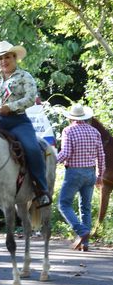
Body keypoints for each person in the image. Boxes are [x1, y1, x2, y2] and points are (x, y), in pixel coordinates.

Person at [0, 40, 51, 208]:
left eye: (7, 57)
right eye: (0, 58)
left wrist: (10, 107)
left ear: (14, 58)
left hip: (18, 121)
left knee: (32, 148)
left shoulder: (25, 76)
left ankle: (41, 190)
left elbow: (31, 98)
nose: (4, 61)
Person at [57, 104, 106, 251]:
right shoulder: (95, 132)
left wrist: (51, 162)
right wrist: (100, 175)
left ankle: (81, 231)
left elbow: (65, 153)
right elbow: (101, 156)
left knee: (63, 204)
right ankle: (85, 244)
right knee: (85, 207)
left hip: (74, 172)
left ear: (71, 117)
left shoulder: (68, 131)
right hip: (90, 173)